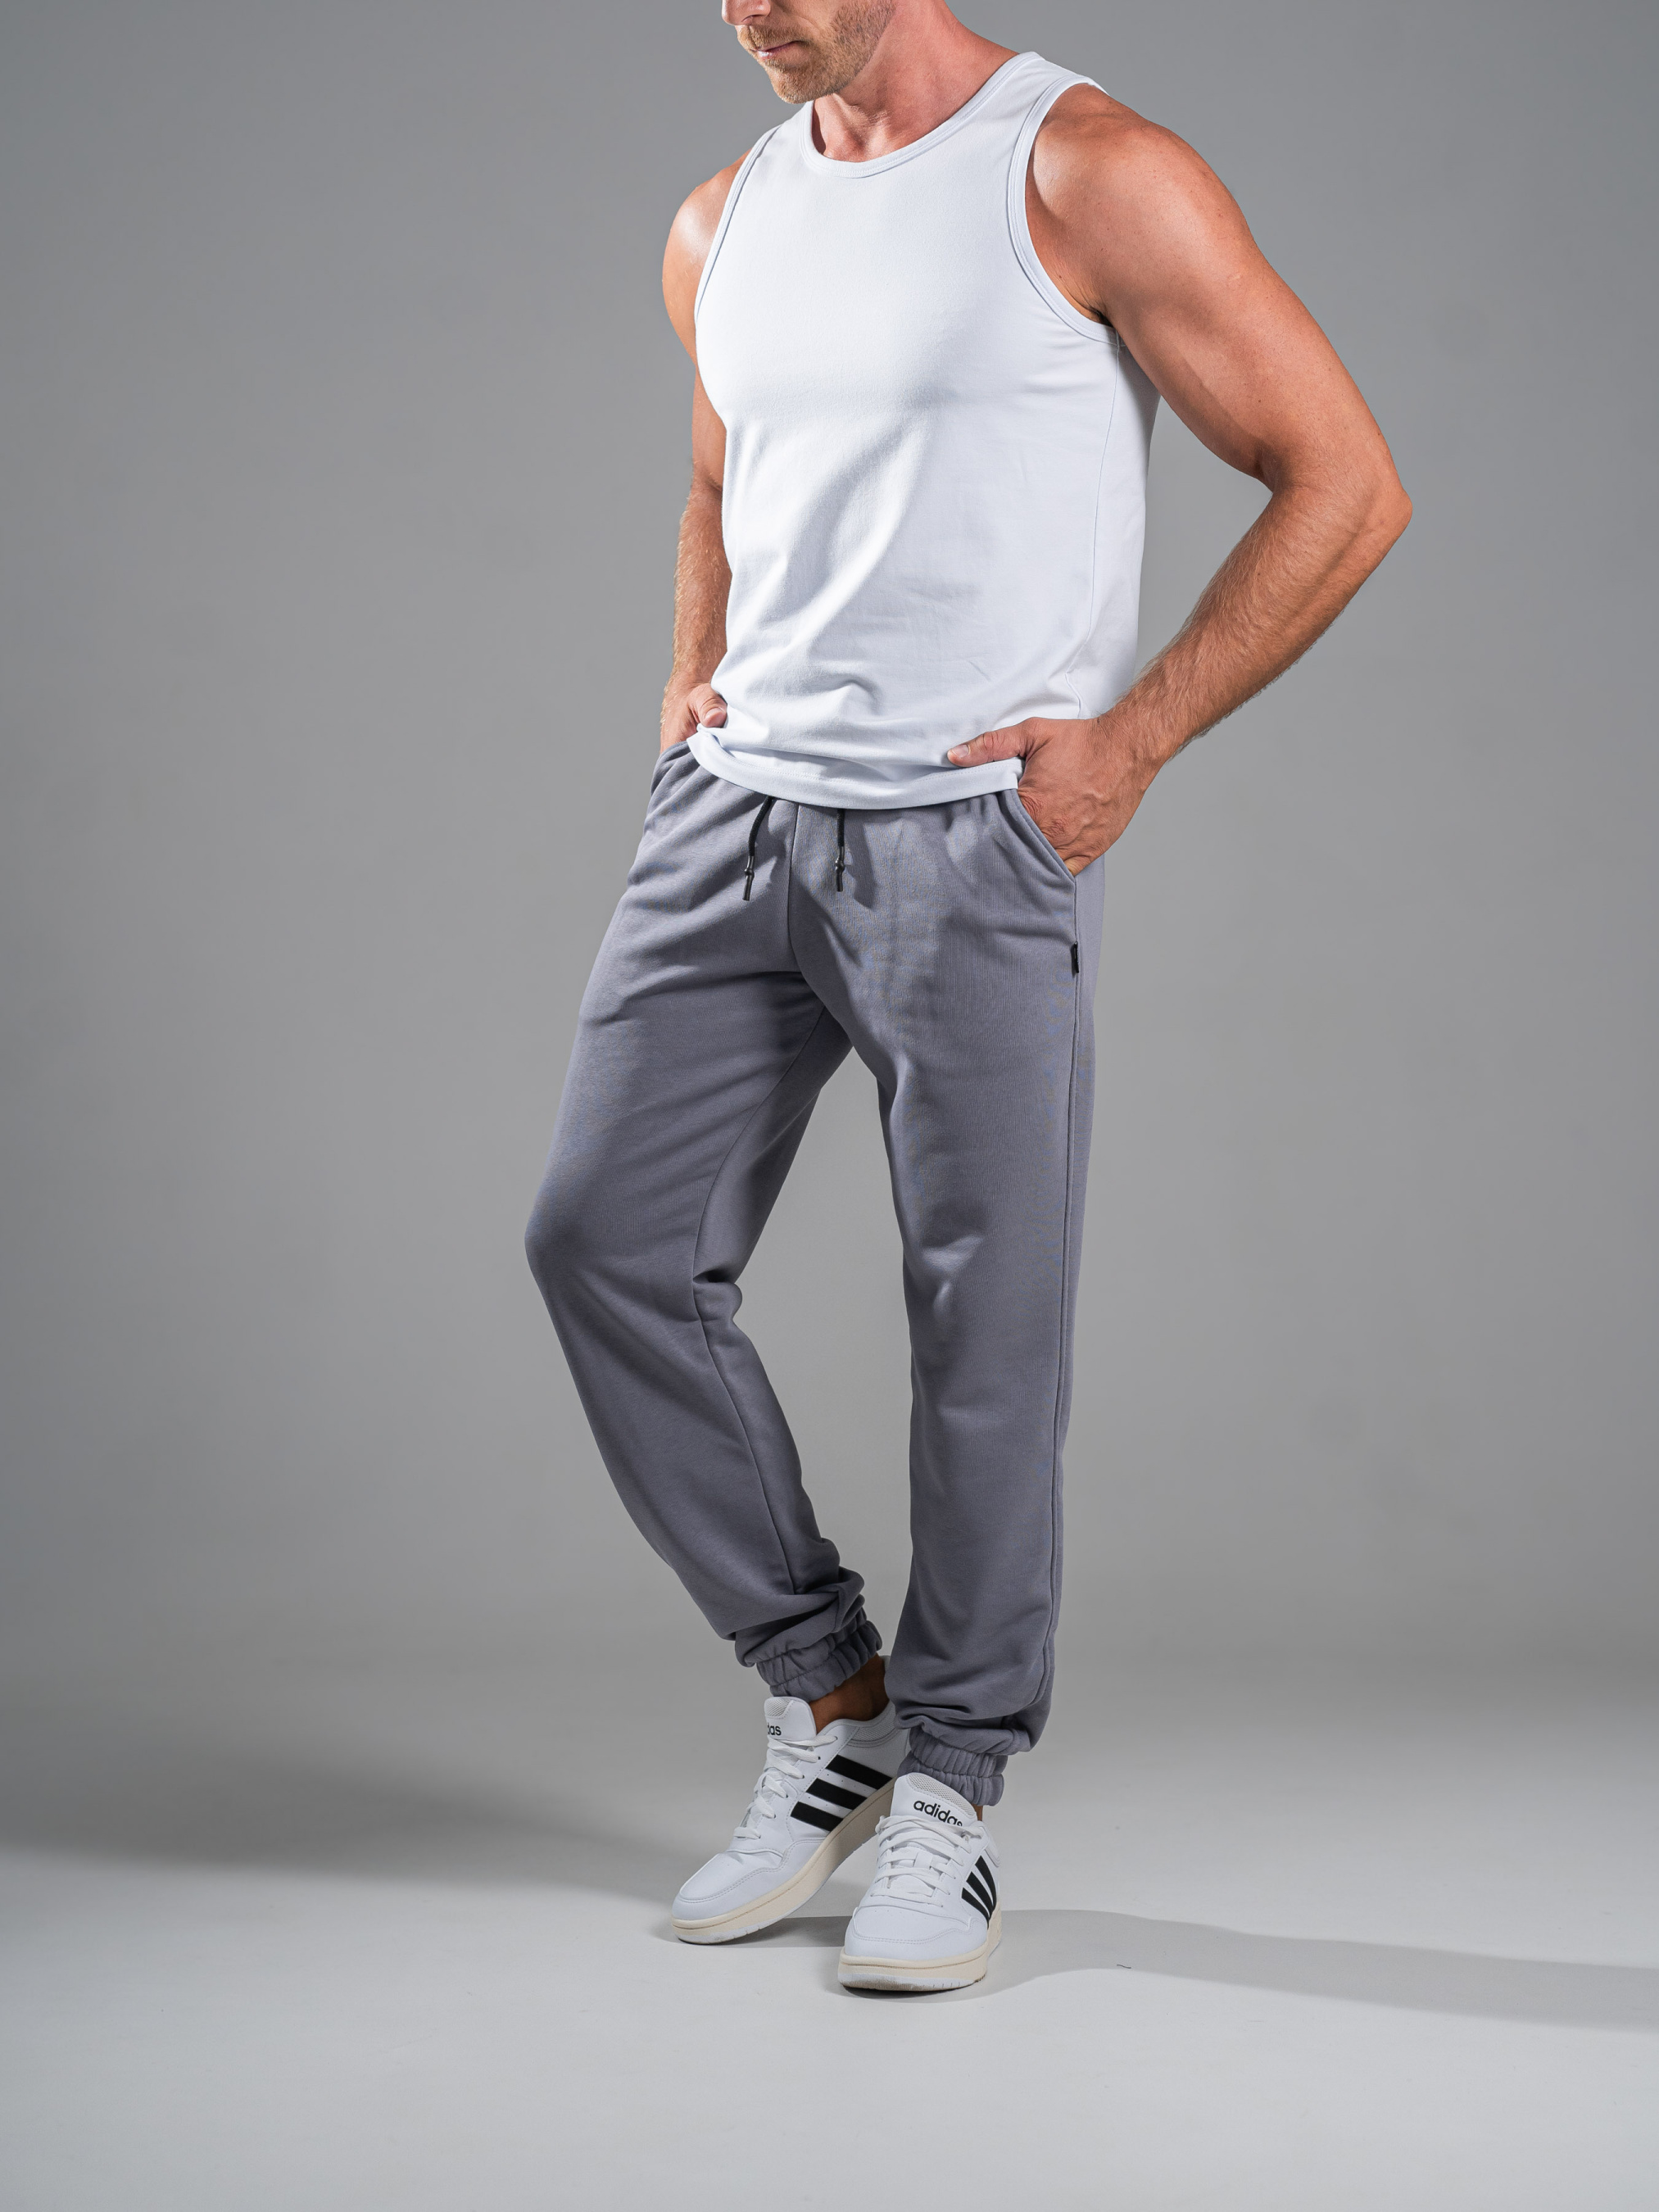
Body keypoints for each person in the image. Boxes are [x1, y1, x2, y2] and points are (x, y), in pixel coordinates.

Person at [526, 0, 1408, 1993]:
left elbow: (1344, 480)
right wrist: (686, 683)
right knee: (599, 1244)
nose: (742, 6)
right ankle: (827, 1694)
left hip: (967, 842)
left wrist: (1130, 743)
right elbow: (719, 478)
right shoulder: (720, 217)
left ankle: (951, 1785)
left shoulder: (1084, 172)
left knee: (979, 1336)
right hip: (732, 822)